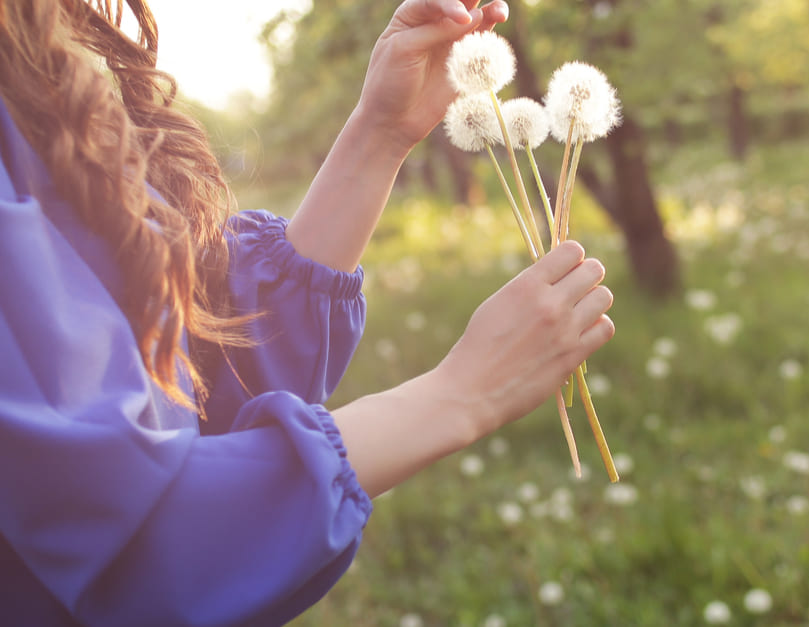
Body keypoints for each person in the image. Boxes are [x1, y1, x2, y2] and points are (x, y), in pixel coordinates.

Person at [0, 0, 615, 624]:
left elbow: (203, 366)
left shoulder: (31, 76)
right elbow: (125, 542)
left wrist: (381, 133)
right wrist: (460, 395)